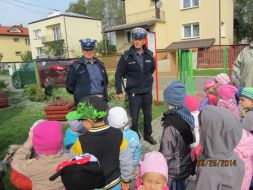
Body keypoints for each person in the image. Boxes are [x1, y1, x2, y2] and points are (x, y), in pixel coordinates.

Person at [67, 96, 133, 190]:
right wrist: (126, 180)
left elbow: (75, 166)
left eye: (80, 120)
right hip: (115, 184)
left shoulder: (80, 141)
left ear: (90, 121)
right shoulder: (118, 134)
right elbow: (126, 160)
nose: (80, 123)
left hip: (94, 185)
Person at [115, 27, 156, 145]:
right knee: (134, 117)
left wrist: (146, 80)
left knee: (148, 115)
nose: (137, 41)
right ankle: (135, 136)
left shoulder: (149, 55)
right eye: (135, 39)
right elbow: (118, 74)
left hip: (147, 92)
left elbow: (151, 70)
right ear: (133, 40)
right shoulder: (126, 57)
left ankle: (148, 135)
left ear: (144, 41)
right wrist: (119, 90)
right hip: (133, 92)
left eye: (140, 39)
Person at [11, 121, 72, 190]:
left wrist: (28, 143)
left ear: (35, 146)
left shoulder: (32, 167)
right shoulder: (70, 158)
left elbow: (16, 162)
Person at [196, 106, 244, 190]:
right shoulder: (237, 160)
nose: (199, 131)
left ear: (213, 133)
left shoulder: (208, 170)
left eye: (201, 127)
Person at [160, 81, 196, 190]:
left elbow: (167, 153)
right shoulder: (186, 114)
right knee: (181, 186)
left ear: (168, 100)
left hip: (172, 168)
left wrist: (161, 167)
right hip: (185, 163)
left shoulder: (170, 124)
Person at [65, 38, 109, 105]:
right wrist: (80, 93)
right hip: (84, 102)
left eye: (91, 49)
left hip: (101, 100)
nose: (89, 52)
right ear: (82, 50)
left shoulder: (100, 64)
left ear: (94, 50)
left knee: (104, 115)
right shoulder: (76, 66)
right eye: (86, 50)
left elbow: (106, 81)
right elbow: (69, 86)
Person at [107, 106, 141, 176]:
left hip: (115, 171)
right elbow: (137, 152)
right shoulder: (134, 134)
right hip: (129, 169)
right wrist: (134, 166)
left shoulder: (110, 137)